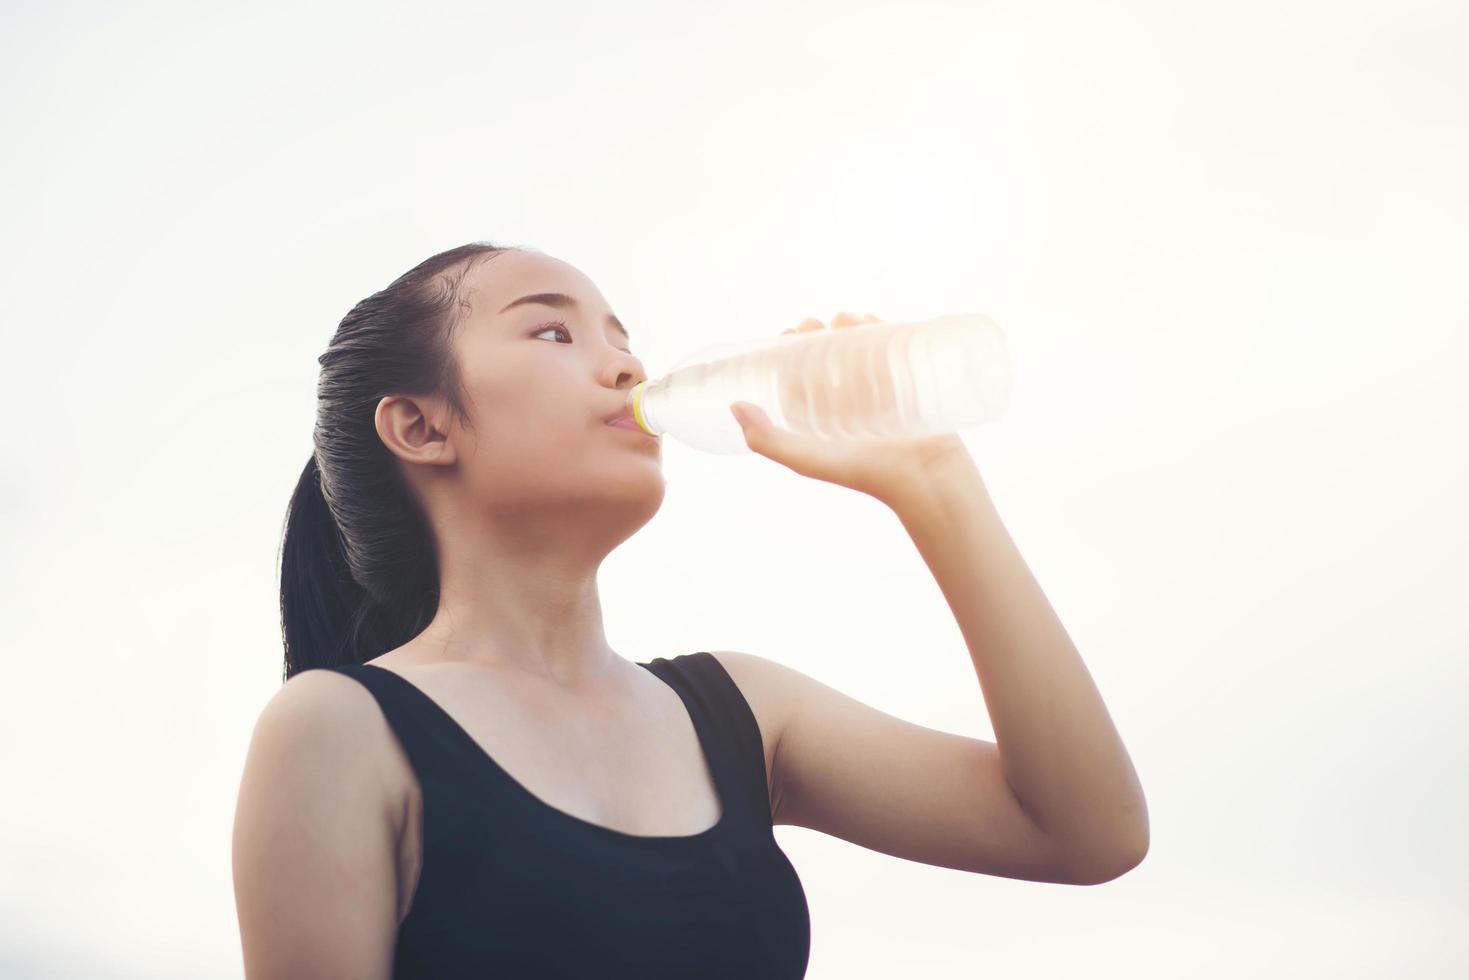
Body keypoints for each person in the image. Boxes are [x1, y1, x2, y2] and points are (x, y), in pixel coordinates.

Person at [232, 242, 1148, 979]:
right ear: (421, 427)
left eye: (621, 336)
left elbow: (1082, 830)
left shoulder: (741, 715)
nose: (623, 364)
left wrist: (935, 484)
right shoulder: (339, 727)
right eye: (553, 333)